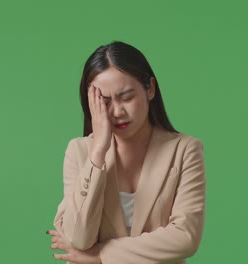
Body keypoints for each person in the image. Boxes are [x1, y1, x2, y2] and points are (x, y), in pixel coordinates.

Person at [47, 41, 206, 264]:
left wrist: (101, 255)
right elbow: (78, 238)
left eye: (127, 97)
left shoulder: (185, 150)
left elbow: (185, 237)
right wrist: (98, 152)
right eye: (105, 101)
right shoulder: (79, 151)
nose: (117, 112)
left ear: (150, 88)